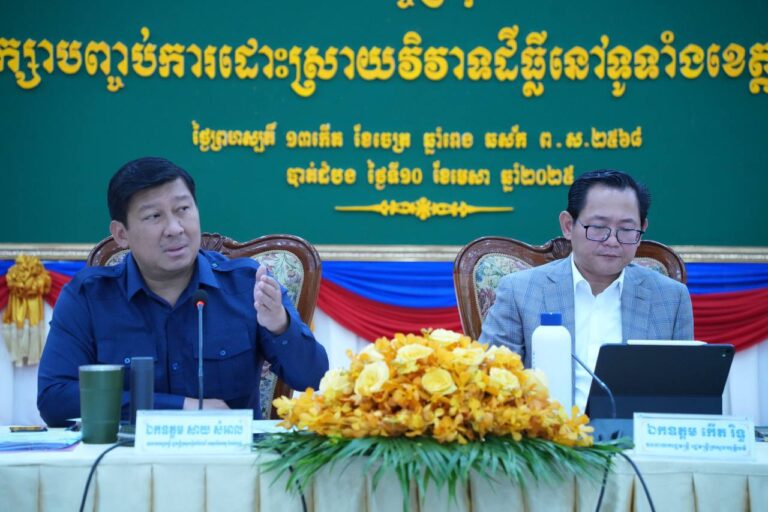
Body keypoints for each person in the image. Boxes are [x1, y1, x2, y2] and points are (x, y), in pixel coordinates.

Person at [37, 157, 329, 426]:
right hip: (126, 460)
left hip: (229, 460)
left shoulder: (247, 286)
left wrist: (279, 326)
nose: (175, 228)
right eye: (154, 216)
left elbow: (314, 379)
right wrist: (181, 408)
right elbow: (54, 399)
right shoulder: (88, 297)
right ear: (121, 234)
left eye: (183, 210)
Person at [479, 169, 693, 410]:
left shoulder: (671, 298)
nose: (612, 241)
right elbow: (489, 384)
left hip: (634, 432)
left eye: (626, 229)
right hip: (547, 430)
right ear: (568, 226)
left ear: (642, 228)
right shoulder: (520, 291)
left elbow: (683, 395)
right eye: (599, 227)